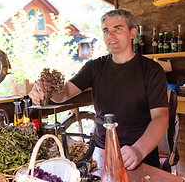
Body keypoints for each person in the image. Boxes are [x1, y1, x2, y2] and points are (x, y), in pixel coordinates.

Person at [29, 9, 169, 171]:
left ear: (132, 33)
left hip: (139, 155)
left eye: (117, 28)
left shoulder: (152, 70)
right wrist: (46, 88)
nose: (111, 35)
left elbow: (160, 118)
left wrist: (138, 150)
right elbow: (64, 93)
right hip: (101, 151)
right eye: (106, 30)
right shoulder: (94, 67)